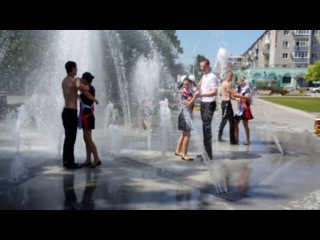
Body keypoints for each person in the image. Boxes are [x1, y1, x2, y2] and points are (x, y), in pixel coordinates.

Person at [61, 61, 95, 169]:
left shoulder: (64, 80)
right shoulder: (75, 80)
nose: (77, 70)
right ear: (72, 69)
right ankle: (70, 163)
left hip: (65, 111)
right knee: (71, 138)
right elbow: (81, 88)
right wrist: (89, 87)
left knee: (68, 138)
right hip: (71, 112)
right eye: (76, 68)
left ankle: (67, 161)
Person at [76, 72, 101, 168]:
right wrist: (94, 99)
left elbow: (79, 87)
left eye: (83, 78)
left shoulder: (89, 87)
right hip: (86, 115)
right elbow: (83, 92)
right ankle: (88, 159)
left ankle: (97, 159)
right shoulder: (87, 88)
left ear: (86, 80)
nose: (81, 79)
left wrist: (78, 80)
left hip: (88, 116)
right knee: (86, 138)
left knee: (88, 139)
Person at [217, 71, 250, 144]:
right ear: (227, 76)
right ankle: (232, 140)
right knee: (231, 122)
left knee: (224, 120)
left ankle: (219, 137)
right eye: (230, 76)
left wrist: (237, 98)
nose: (231, 78)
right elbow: (234, 94)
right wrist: (244, 97)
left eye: (231, 76)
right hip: (226, 104)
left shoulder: (223, 83)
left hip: (224, 103)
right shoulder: (227, 84)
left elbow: (229, 95)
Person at [196, 59, 219, 160]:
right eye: (201, 67)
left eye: (204, 67)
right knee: (205, 128)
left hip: (209, 104)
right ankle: (206, 152)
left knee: (207, 129)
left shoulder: (212, 77)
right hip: (204, 103)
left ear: (209, 66)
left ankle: (208, 154)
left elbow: (214, 92)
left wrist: (201, 94)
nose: (202, 69)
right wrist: (199, 83)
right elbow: (199, 86)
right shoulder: (205, 75)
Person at [175, 77, 199, 161]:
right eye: (184, 84)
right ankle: (184, 154)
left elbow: (198, 88)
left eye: (187, 84)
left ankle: (178, 151)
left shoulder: (191, 91)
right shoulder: (183, 94)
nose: (185, 86)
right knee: (187, 135)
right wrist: (195, 97)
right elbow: (188, 104)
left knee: (184, 134)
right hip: (184, 116)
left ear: (191, 84)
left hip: (188, 115)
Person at [234, 78, 254, 145]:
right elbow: (236, 96)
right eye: (239, 81)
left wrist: (240, 97)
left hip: (245, 109)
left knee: (245, 125)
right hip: (239, 109)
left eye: (241, 81)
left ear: (243, 82)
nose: (239, 82)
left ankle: (248, 139)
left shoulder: (246, 88)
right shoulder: (238, 88)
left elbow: (247, 97)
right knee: (235, 123)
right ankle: (236, 138)